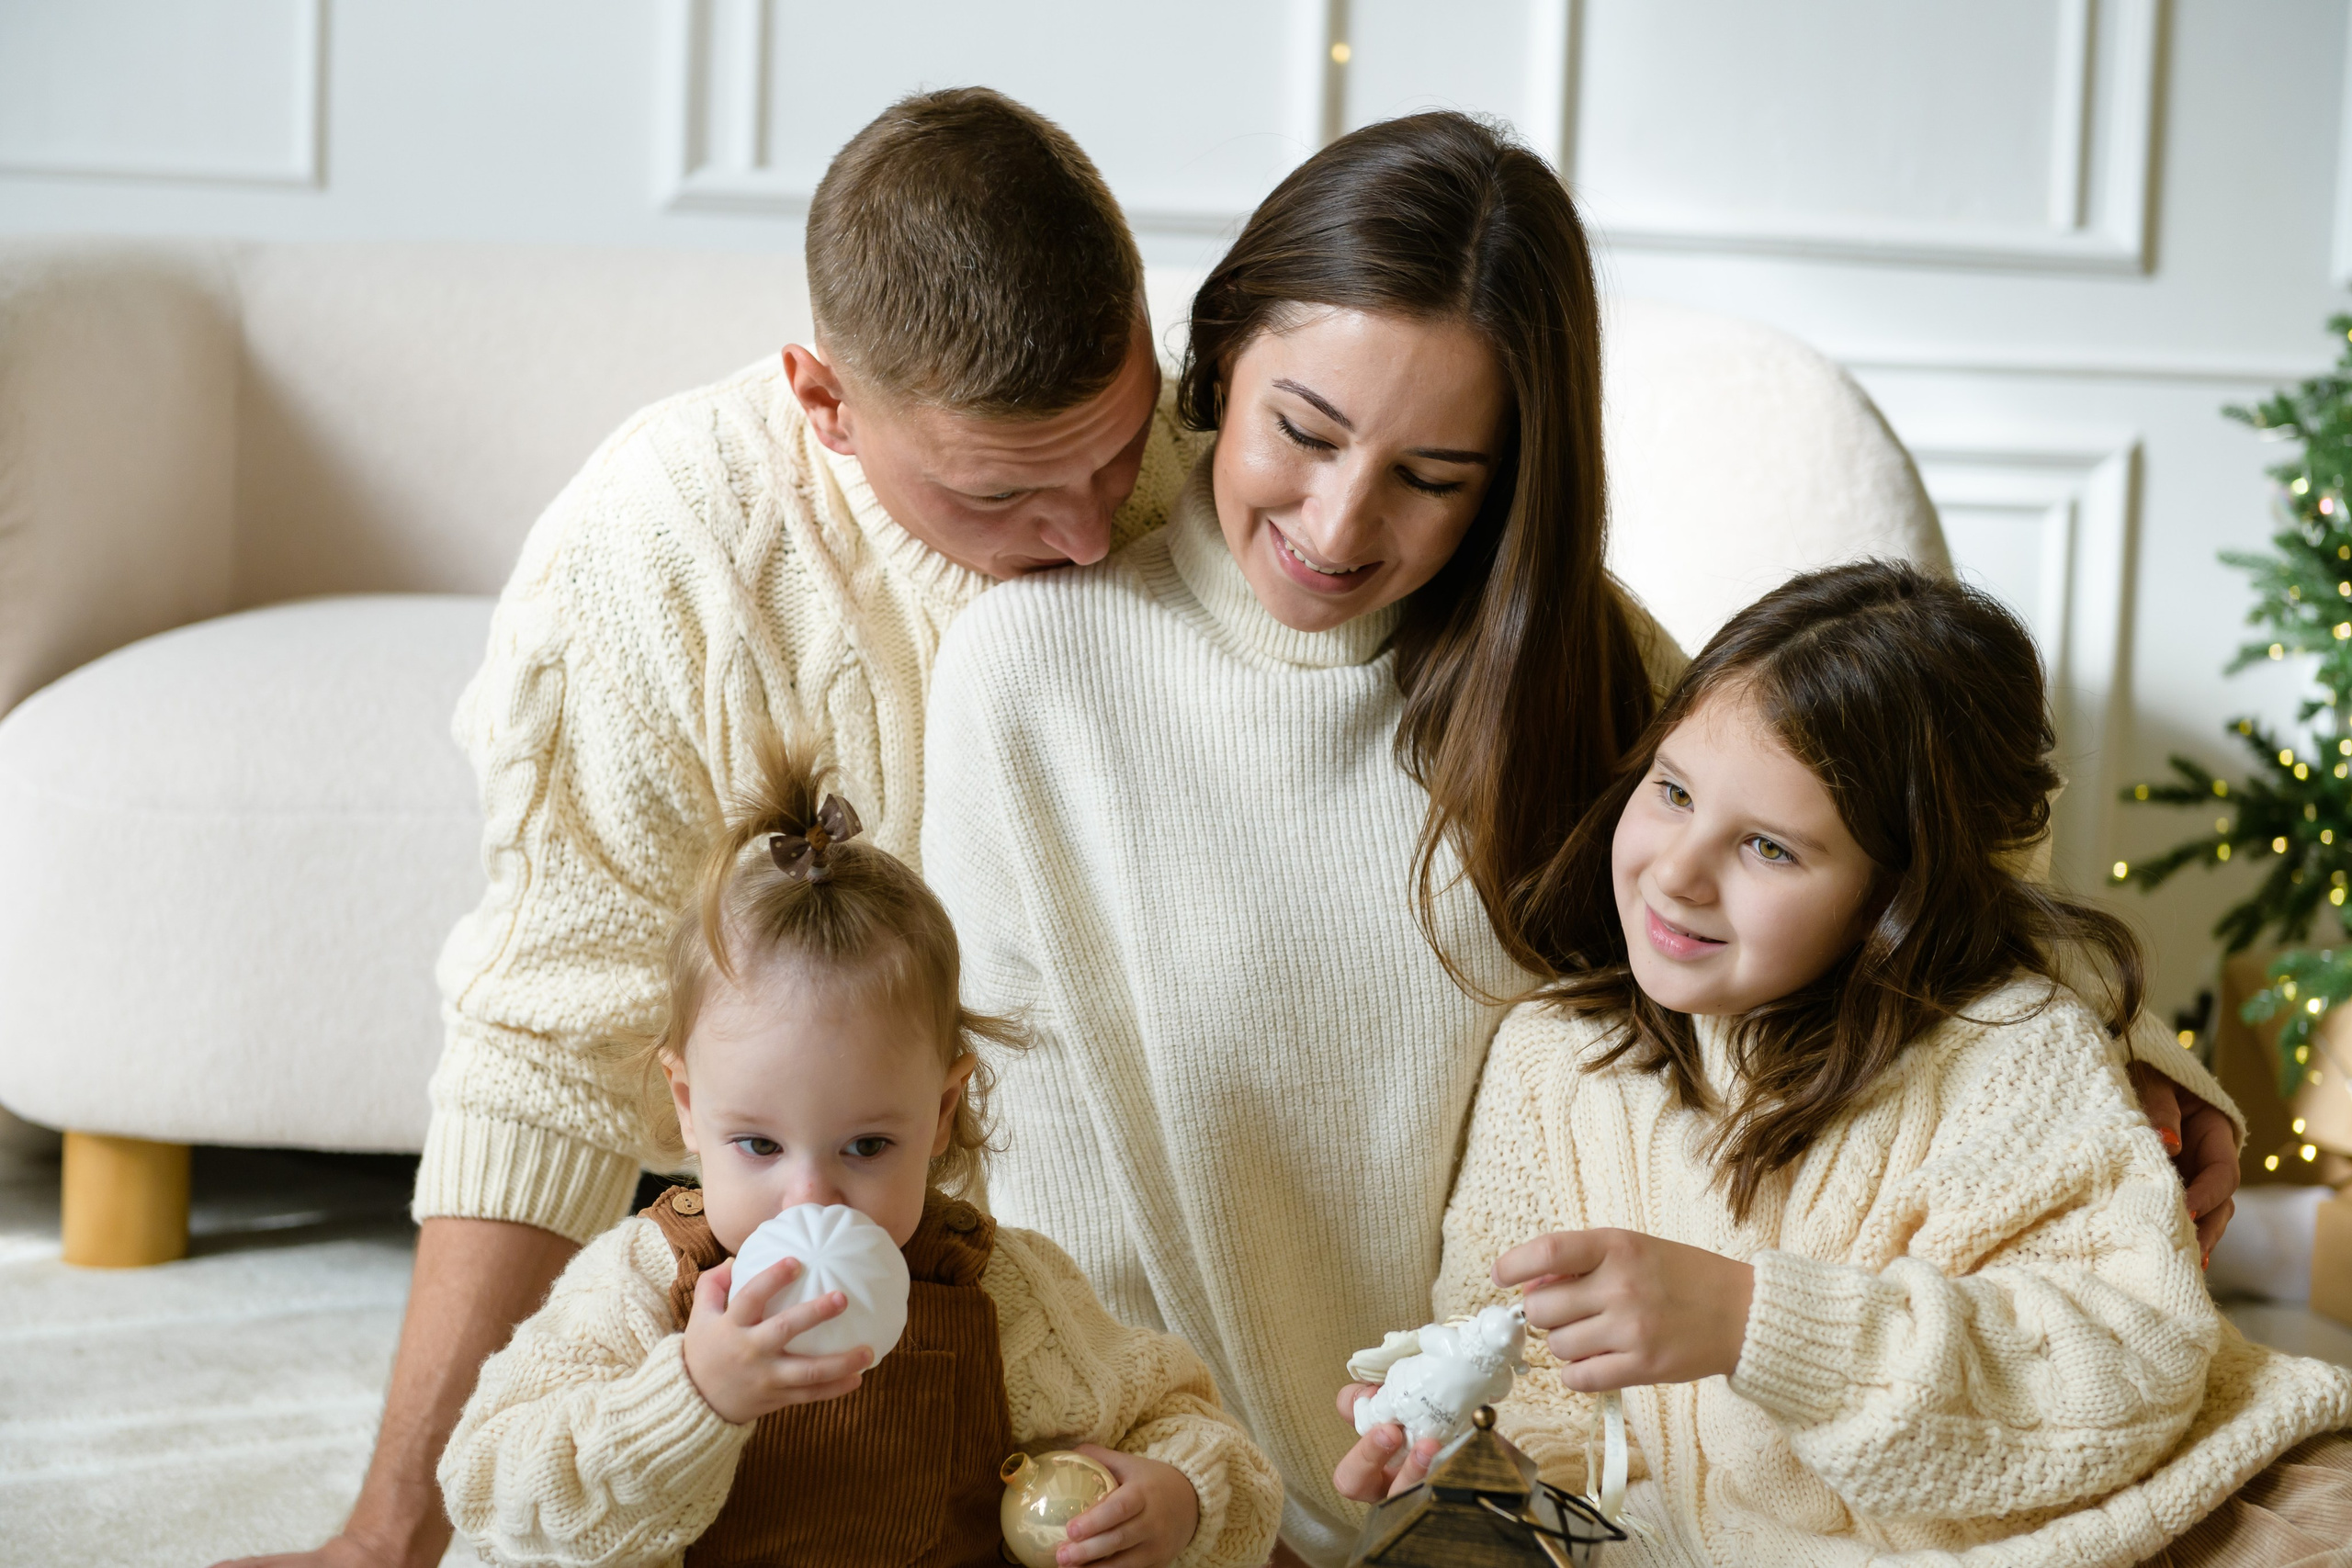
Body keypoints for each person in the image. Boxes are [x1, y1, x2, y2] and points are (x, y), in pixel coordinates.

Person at [920, 114, 2246, 1567]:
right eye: (1303, 429)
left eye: (1433, 477)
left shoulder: (1562, 662)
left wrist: (2146, 1063)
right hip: (1150, 1483)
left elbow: (1868, 832)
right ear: (1221, 354)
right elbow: (969, 1109)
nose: (1339, 520)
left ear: (1505, 480)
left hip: (1487, 1481)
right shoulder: (1029, 667)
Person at [224, 89, 1206, 1568]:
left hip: (1125, 1232)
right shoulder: (658, 545)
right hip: (823, 1200)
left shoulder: (1221, 466)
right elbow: (550, 1037)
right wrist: (385, 1534)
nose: (1085, 535)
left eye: (1113, 454)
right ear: (823, 400)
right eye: (998, 491)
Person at [1336, 561, 2351, 1566]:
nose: (1678, 873)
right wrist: (1460, 1454)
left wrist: (1755, 1323)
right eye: (1673, 790)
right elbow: (1547, 1395)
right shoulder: (1556, 1065)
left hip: (2169, 1512)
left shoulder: (2006, 1050)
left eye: (1769, 848)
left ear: (1893, 897)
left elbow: (2126, 1368)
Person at [437, 736, 1282, 1568]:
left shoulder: (1001, 1298)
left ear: (942, 1109)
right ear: (690, 1107)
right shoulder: (643, 1289)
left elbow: (1193, 1429)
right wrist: (692, 1395)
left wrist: (1179, 1498)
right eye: (759, 1143)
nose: (811, 1200)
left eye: (867, 1145)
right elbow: (487, 1486)